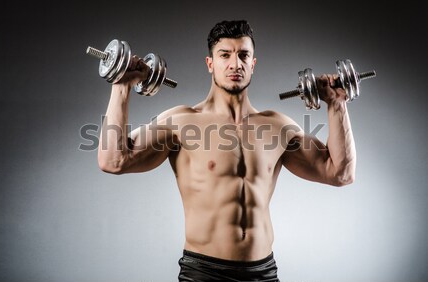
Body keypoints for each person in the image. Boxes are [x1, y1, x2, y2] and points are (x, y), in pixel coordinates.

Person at [97, 20, 356, 282]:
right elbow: (113, 161)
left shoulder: (278, 126)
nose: (235, 64)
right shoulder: (181, 122)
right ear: (210, 63)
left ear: (253, 64)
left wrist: (336, 104)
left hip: (263, 273)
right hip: (203, 273)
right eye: (225, 55)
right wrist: (121, 86)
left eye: (244, 55)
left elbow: (340, 173)